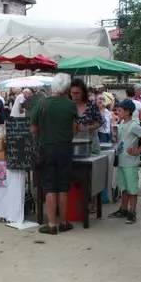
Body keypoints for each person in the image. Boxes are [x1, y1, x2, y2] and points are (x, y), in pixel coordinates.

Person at [30, 73, 76, 235]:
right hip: (65, 148)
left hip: (46, 148)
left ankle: (51, 224)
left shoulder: (42, 104)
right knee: (63, 186)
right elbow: (75, 128)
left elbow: (34, 129)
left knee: (50, 186)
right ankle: (63, 222)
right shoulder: (71, 105)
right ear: (67, 88)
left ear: (53, 86)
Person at [110, 100, 141, 224]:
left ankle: (132, 212)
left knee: (132, 188)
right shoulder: (121, 123)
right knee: (124, 188)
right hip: (122, 161)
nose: (117, 112)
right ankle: (123, 209)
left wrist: (139, 150)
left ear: (127, 112)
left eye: (120, 110)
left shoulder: (133, 125)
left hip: (130, 162)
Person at [71, 78, 102, 153]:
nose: (75, 96)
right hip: (74, 144)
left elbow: (100, 122)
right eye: (73, 93)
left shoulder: (91, 104)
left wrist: (87, 128)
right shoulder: (69, 105)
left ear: (83, 92)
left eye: (77, 93)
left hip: (91, 144)